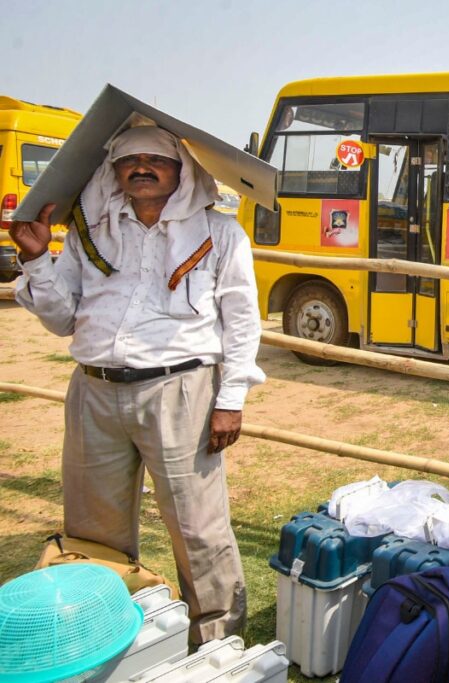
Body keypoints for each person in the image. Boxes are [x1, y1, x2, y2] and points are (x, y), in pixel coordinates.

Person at [11, 124, 265, 644]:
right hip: (94, 391)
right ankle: (107, 636)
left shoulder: (220, 234)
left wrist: (231, 399)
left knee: (198, 528)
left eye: (156, 159)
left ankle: (217, 646)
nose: (142, 167)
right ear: (114, 170)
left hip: (182, 392)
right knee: (92, 528)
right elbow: (61, 320)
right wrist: (37, 259)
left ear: (182, 170)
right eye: (129, 160)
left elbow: (241, 322)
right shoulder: (92, 231)